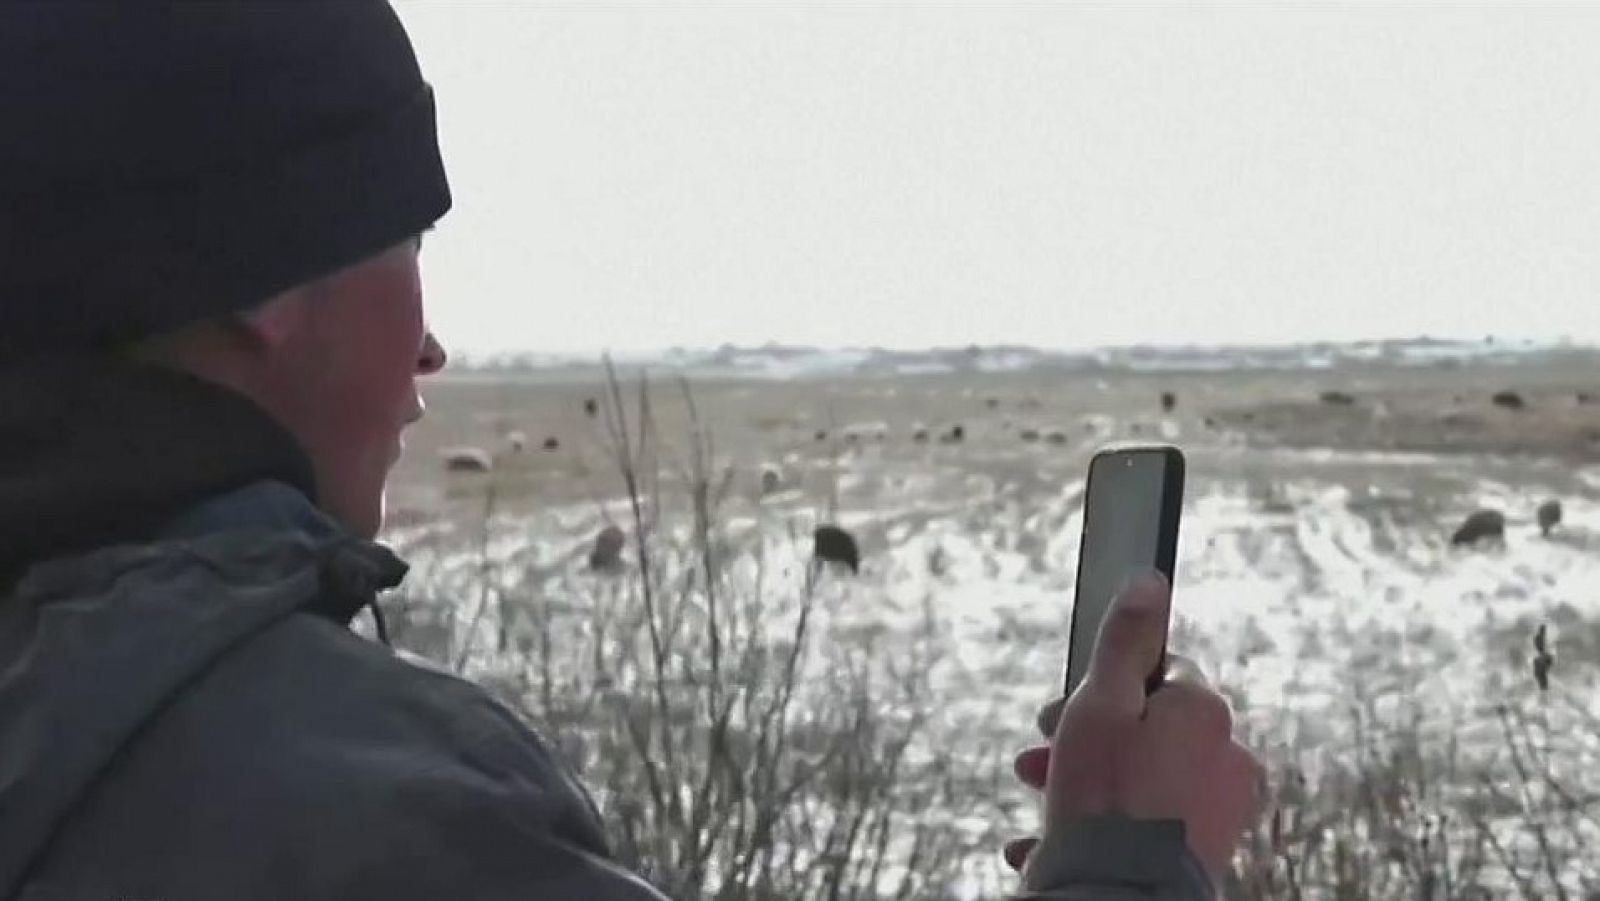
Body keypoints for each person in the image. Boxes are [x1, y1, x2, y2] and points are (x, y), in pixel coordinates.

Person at [0, 4, 1264, 899]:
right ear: (267, 275)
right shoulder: (376, 815)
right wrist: (1129, 861)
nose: (429, 346)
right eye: (409, 248)